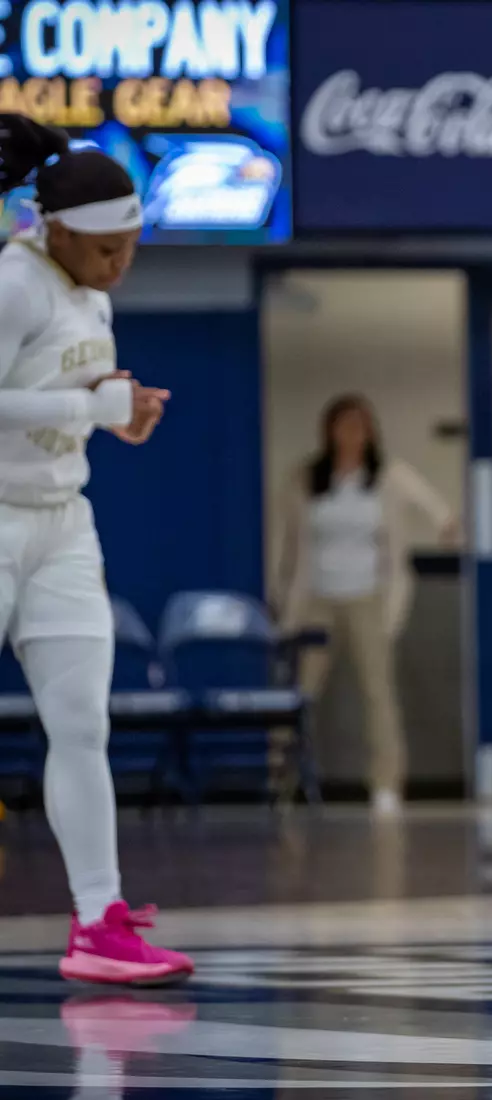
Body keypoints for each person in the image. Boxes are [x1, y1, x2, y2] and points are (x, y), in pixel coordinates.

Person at [0, 114, 188, 983]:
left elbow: (75, 394)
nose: (120, 264)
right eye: (106, 248)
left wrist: (124, 409)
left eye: (132, 248)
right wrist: (91, 411)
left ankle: (98, 923)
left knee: (82, 726)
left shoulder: (92, 296)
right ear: (59, 230)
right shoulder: (14, 282)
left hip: (65, 522)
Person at [272, 394, 456, 817]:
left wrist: (448, 525)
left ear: (371, 432)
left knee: (379, 694)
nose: (353, 433)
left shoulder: (388, 476)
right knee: (300, 693)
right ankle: (281, 782)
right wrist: (280, 595)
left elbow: (434, 506)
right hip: (316, 597)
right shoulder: (306, 478)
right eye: (344, 425)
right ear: (330, 430)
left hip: (368, 595)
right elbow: (284, 539)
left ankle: (386, 785)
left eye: (361, 425)